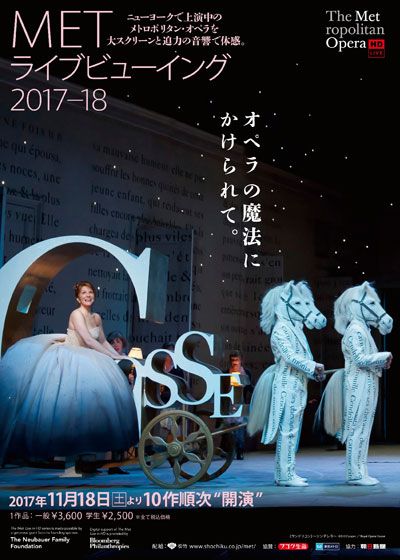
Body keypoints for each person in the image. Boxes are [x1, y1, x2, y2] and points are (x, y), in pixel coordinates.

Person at [0, 281, 138, 476]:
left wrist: (118, 356)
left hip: (90, 359)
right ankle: (70, 466)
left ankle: (87, 461)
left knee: (90, 410)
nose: (88, 295)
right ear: (78, 298)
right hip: (72, 358)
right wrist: (111, 356)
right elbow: (87, 340)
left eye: (90, 292)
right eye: (84, 293)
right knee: (70, 410)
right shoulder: (76, 314)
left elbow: (102, 340)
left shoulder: (96, 317)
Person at [225, 351, 253, 460]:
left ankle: (240, 451)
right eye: (233, 360)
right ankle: (230, 451)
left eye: (236, 360)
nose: (234, 362)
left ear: (241, 360)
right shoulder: (226, 372)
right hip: (229, 405)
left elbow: (249, 387)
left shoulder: (246, 372)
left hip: (240, 403)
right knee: (229, 430)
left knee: (240, 429)